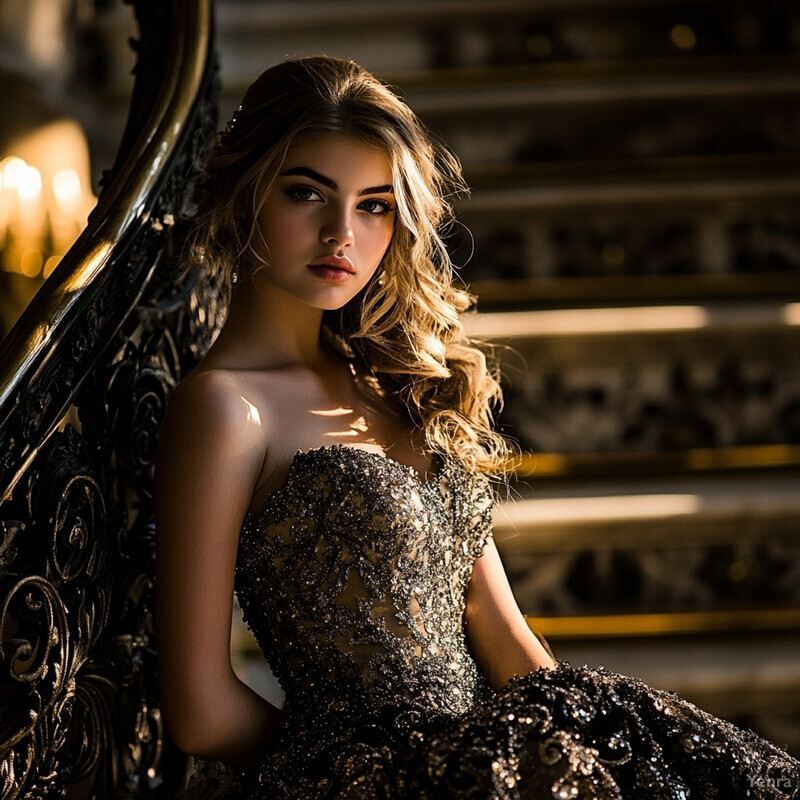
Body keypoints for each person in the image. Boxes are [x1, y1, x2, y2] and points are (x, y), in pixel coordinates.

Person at [155, 56, 799, 799]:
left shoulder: (393, 385)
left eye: (375, 205)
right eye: (307, 194)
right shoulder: (226, 408)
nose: (343, 233)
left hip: (495, 766)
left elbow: (503, 636)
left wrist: (581, 759)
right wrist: (362, 772)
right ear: (245, 198)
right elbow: (200, 714)